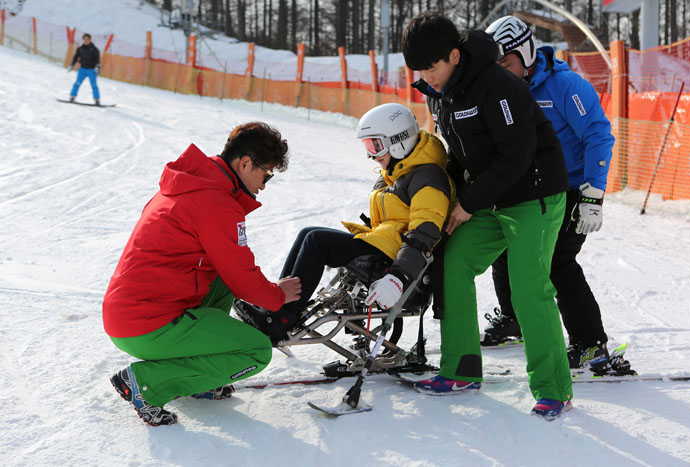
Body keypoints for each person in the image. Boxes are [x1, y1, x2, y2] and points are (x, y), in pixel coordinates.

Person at [402, 13, 573, 419]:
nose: (428, 76)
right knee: (453, 263)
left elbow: (516, 155)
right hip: (489, 200)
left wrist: (467, 204)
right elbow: (459, 152)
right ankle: (460, 369)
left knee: (528, 287)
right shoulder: (441, 91)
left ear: (455, 55)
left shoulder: (498, 86)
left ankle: (553, 388)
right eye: (420, 69)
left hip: (534, 196)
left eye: (432, 66)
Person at [104, 122, 301, 426]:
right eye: (267, 174)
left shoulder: (192, 185)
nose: (264, 184)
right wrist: (278, 296)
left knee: (220, 276)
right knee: (256, 350)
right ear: (245, 163)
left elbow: (230, 272)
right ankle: (146, 383)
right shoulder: (214, 202)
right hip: (146, 325)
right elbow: (242, 274)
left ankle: (199, 376)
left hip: (134, 313)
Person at [482, 16, 628, 373]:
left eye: (507, 61)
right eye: (496, 64)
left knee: (557, 262)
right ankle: (514, 318)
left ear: (527, 52)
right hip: (532, 190)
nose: (502, 70)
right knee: (505, 250)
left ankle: (591, 344)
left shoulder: (565, 86)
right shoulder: (504, 89)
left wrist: (593, 194)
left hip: (573, 189)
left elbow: (598, 135)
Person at [243, 103, 452, 344]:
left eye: (375, 145)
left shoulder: (427, 177)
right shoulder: (399, 171)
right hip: (385, 249)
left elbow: (424, 232)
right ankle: (277, 307)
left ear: (399, 140)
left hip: (397, 264)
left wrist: (398, 276)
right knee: (308, 233)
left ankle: (281, 319)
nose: (371, 154)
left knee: (317, 242)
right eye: (368, 146)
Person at [67, 33, 101, 106]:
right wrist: (71, 65)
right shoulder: (80, 49)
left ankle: (97, 100)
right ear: (83, 40)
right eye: (84, 39)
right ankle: (72, 97)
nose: (86, 41)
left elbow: (97, 60)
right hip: (82, 69)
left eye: (87, 39)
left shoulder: (95, 49)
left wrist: (97, 68)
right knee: (77, 83)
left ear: (90, 40)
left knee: (94, 85)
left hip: (91, 70)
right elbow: (75, 57)